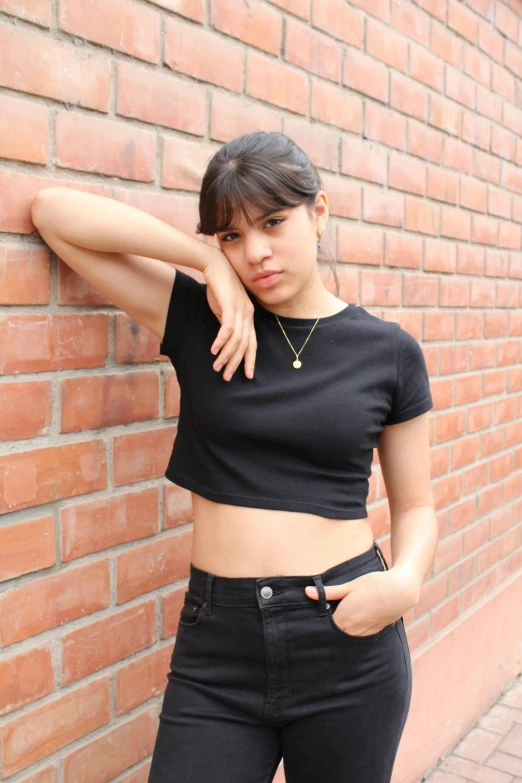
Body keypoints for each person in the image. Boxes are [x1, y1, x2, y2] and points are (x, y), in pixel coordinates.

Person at [30, 130, 438, 783]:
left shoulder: (388, 352)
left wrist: (405, 581)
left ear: (320, 212)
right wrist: (202, 261)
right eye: (232, 236)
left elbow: (417, 504)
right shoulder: (202, 320)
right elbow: (54, 214)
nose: (256, 252)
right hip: (218, 650)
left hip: (345, 636)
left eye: (273, 223)